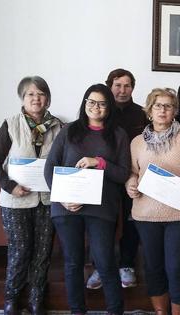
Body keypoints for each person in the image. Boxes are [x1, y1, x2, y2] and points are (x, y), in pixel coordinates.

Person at [44, 84, 130, 315]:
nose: (96, 107)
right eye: (91, 102)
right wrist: (61, 198)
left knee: (105, 261)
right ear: (84, 104)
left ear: (109, 107)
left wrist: (99, 162)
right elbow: (50, 167)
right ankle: (77, 311)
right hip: (66, 208)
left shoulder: (118, 135)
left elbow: (123, 174)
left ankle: (115, 310)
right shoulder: (69, 131)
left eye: (102, 103)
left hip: (101, 209)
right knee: (72, 263)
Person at [126, 88, 180, 315]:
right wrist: (130, 184)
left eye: (168, 106)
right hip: (145, 214)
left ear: (175, 111)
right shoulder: (136, 142)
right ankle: (161, 312)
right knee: (153, 267)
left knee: (177, 267)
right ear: (149, 110)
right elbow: (133, 172)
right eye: (157, 105)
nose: (163, 110)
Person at [0, 76, 62, 315]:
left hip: (47, 200)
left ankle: (36, 298)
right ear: (22, 98)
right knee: (20, 251)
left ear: (47, 99)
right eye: (30, 94)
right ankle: (12, 298)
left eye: (40, 94)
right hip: (15, 200)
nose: (36, 98)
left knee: (42, 252)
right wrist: (10, 186)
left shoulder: (59, 127)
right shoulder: (10, 124)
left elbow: (63, 162)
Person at [87, 69, 148, 290]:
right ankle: (100, 266)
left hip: (134, 176)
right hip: (105, 176)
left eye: (127, 85)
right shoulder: (100, 111)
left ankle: (126, 264)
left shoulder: (142, 113)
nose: (122, 90)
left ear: (133, 87)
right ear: (109, 86)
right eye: (117, 85)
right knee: (102, 224)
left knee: (132, 221)